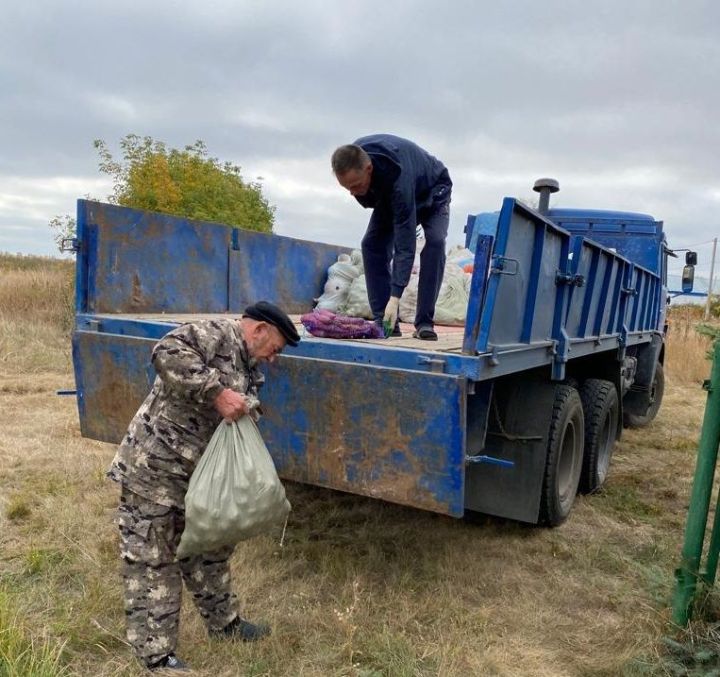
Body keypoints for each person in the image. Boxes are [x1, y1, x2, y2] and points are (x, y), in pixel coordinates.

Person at [107, 301, 300, 672]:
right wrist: (217, 392)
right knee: (152, 558)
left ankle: (225, 625)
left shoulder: (247, 363)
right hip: (155, 470)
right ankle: (157, 656)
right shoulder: (215, 334)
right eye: (275, 347)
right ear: (259, 330)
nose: (274, 358)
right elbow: (165, 352)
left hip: (197, 478)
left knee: (209, 549)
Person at [331, 134, 452, 341]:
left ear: (368, 169)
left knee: (435, 242)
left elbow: (405, 246)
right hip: (389, 192)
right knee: (371, 245)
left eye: (356, 185)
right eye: (347, 188)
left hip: (433, 191)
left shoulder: (398, 179)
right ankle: (385, 322)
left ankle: (424, 322)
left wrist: (395, 298)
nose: (352, 193)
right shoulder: (355, 155)